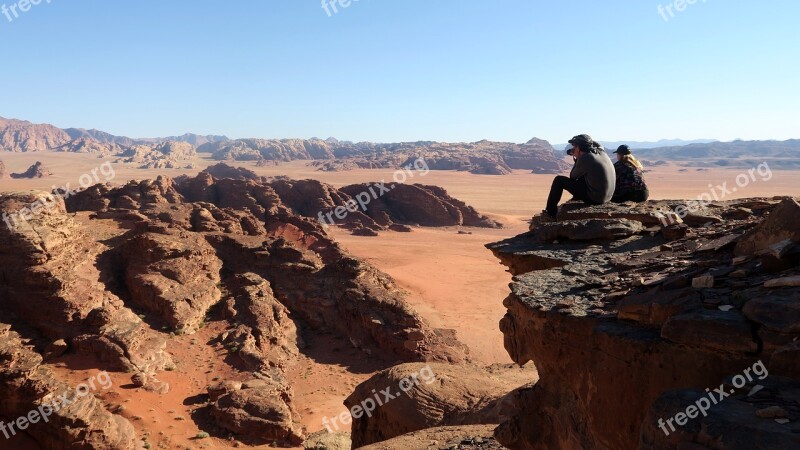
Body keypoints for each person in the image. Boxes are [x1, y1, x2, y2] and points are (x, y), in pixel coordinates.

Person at [544, 134, 616, 219]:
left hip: (596, 199)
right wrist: (586, 142)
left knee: (559, 180)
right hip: (608, 196)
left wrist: (577, 158)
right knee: (584, 177)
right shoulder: (601, 151)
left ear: (578, 148)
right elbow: (597, 144)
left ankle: (550, 212)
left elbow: (573, 176)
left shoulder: (587, 158)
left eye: (574, 147)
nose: (573, 149)